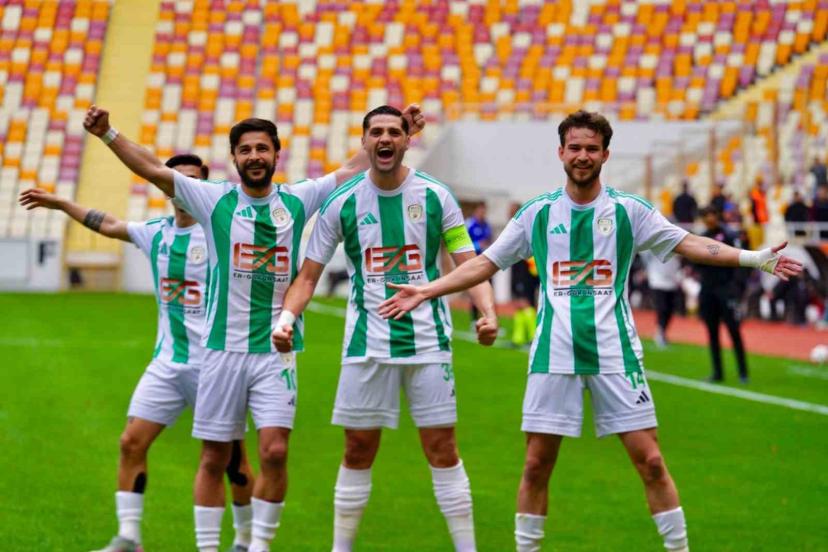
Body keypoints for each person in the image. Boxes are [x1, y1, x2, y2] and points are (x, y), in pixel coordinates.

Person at [378, 110, 803, 552]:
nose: (583, 156)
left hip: (616, 353)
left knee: (652, 462)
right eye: (575, 148)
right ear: (561, 152)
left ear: (605, 155)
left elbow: (690, 243)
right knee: (536, 465)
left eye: (592, 149)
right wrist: (427, 290)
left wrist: (752, 258)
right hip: (553, 354)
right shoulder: (538, 213)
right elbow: (485, 264)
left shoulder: (628, 211)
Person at [82, 104, 425, 552]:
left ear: (277, 154)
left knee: (275, 452)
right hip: (220, 350)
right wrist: (108, 133)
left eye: (263, 148)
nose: (255, 156)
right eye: (245, 150)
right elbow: (151, 169)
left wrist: (404, 130)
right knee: (214, 455)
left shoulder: (297, 199)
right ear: (234, 158)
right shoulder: (214, 199)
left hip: (275, 350)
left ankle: (258, 545)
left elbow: (353, 167)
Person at [271, 105, 498, 552]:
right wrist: (286, 320)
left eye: (394, 131)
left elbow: (468, 263)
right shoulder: (342, 202)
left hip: (429, 343)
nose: (385, 138)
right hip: (365, 344)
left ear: (407, 140)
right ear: (364, 141)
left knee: (442, 448)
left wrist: (487, 312)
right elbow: (309, 276)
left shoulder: (436, 196)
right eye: (376, 131)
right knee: (357, 449)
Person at [19, 155, 255, 552]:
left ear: (204, 187)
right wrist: (60, 203)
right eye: (176, 179)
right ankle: (129, 537)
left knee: (230, 460)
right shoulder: (155, 233)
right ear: (165, 185)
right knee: (131, 442)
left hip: (216, 366)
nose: (183, 187)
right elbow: (107, 224)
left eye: (193, 180)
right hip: (167, 363)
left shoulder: (222, 233)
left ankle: (246, 540)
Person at [696, 206, 750, 383]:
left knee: (734, 330)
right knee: (712, 332)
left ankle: (743, 372)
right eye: (705, 216)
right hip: (708, 289)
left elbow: (741, 260)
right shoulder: (702, 238)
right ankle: (717, 372)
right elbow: (696, 263)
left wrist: (737, 287)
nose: (709, 218)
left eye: (711, 214)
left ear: (716, 215)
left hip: (726, 290)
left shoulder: (729, 235)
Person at [641, 250, 683, 349]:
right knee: (662, 308)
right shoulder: (654, 247)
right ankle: (660, 333)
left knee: (669, 310)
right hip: (657, 281)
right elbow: (644, 253)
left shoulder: (676, 247)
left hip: (672, 281)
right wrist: (646, 269)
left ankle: (663, 332)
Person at [465, 201, 493, 321]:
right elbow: (463, 244)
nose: (482, 213)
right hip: (474, 262)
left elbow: (489, 241)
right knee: (475, 290)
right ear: (476, 211)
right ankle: (474, 319)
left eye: (484, 211)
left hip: (486, 263)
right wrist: (478, 245)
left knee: (488, 290)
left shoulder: (487, 225)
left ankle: (489, 318)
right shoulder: (469, 224)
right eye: (481, 211)